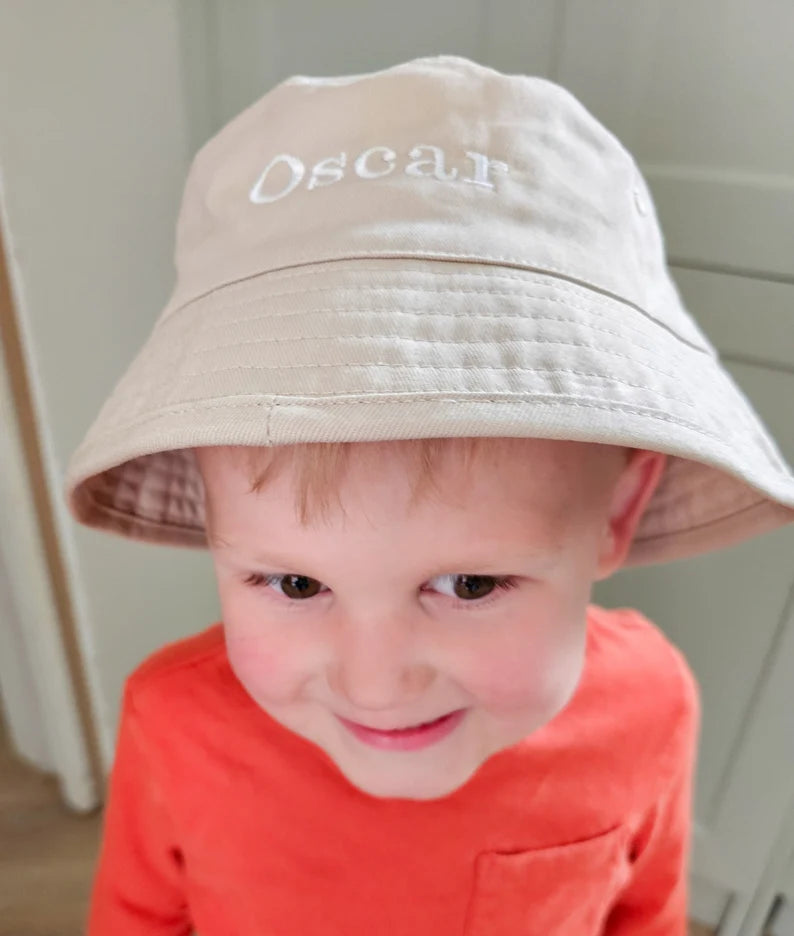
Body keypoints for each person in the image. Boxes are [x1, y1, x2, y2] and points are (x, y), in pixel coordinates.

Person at [64, 55, 794, 935]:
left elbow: (645, 913)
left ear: (617, 513)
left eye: (470, 585)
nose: (377, 684)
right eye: (296, 585)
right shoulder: (173, 721)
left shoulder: (652, 703)